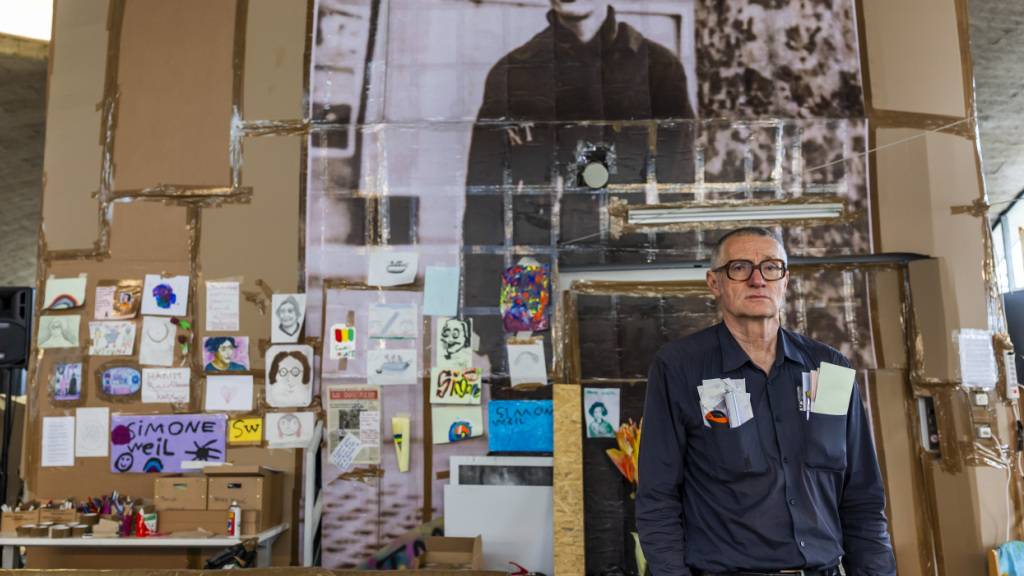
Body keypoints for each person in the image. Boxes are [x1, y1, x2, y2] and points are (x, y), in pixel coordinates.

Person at [636, 227, 896, 576]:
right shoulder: (680, 368)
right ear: (714, 283)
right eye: (740, 268)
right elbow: (657, 498)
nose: (757, 280)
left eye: (771, 267)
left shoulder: (830, 370)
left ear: (785, 281)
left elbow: (862, 496)